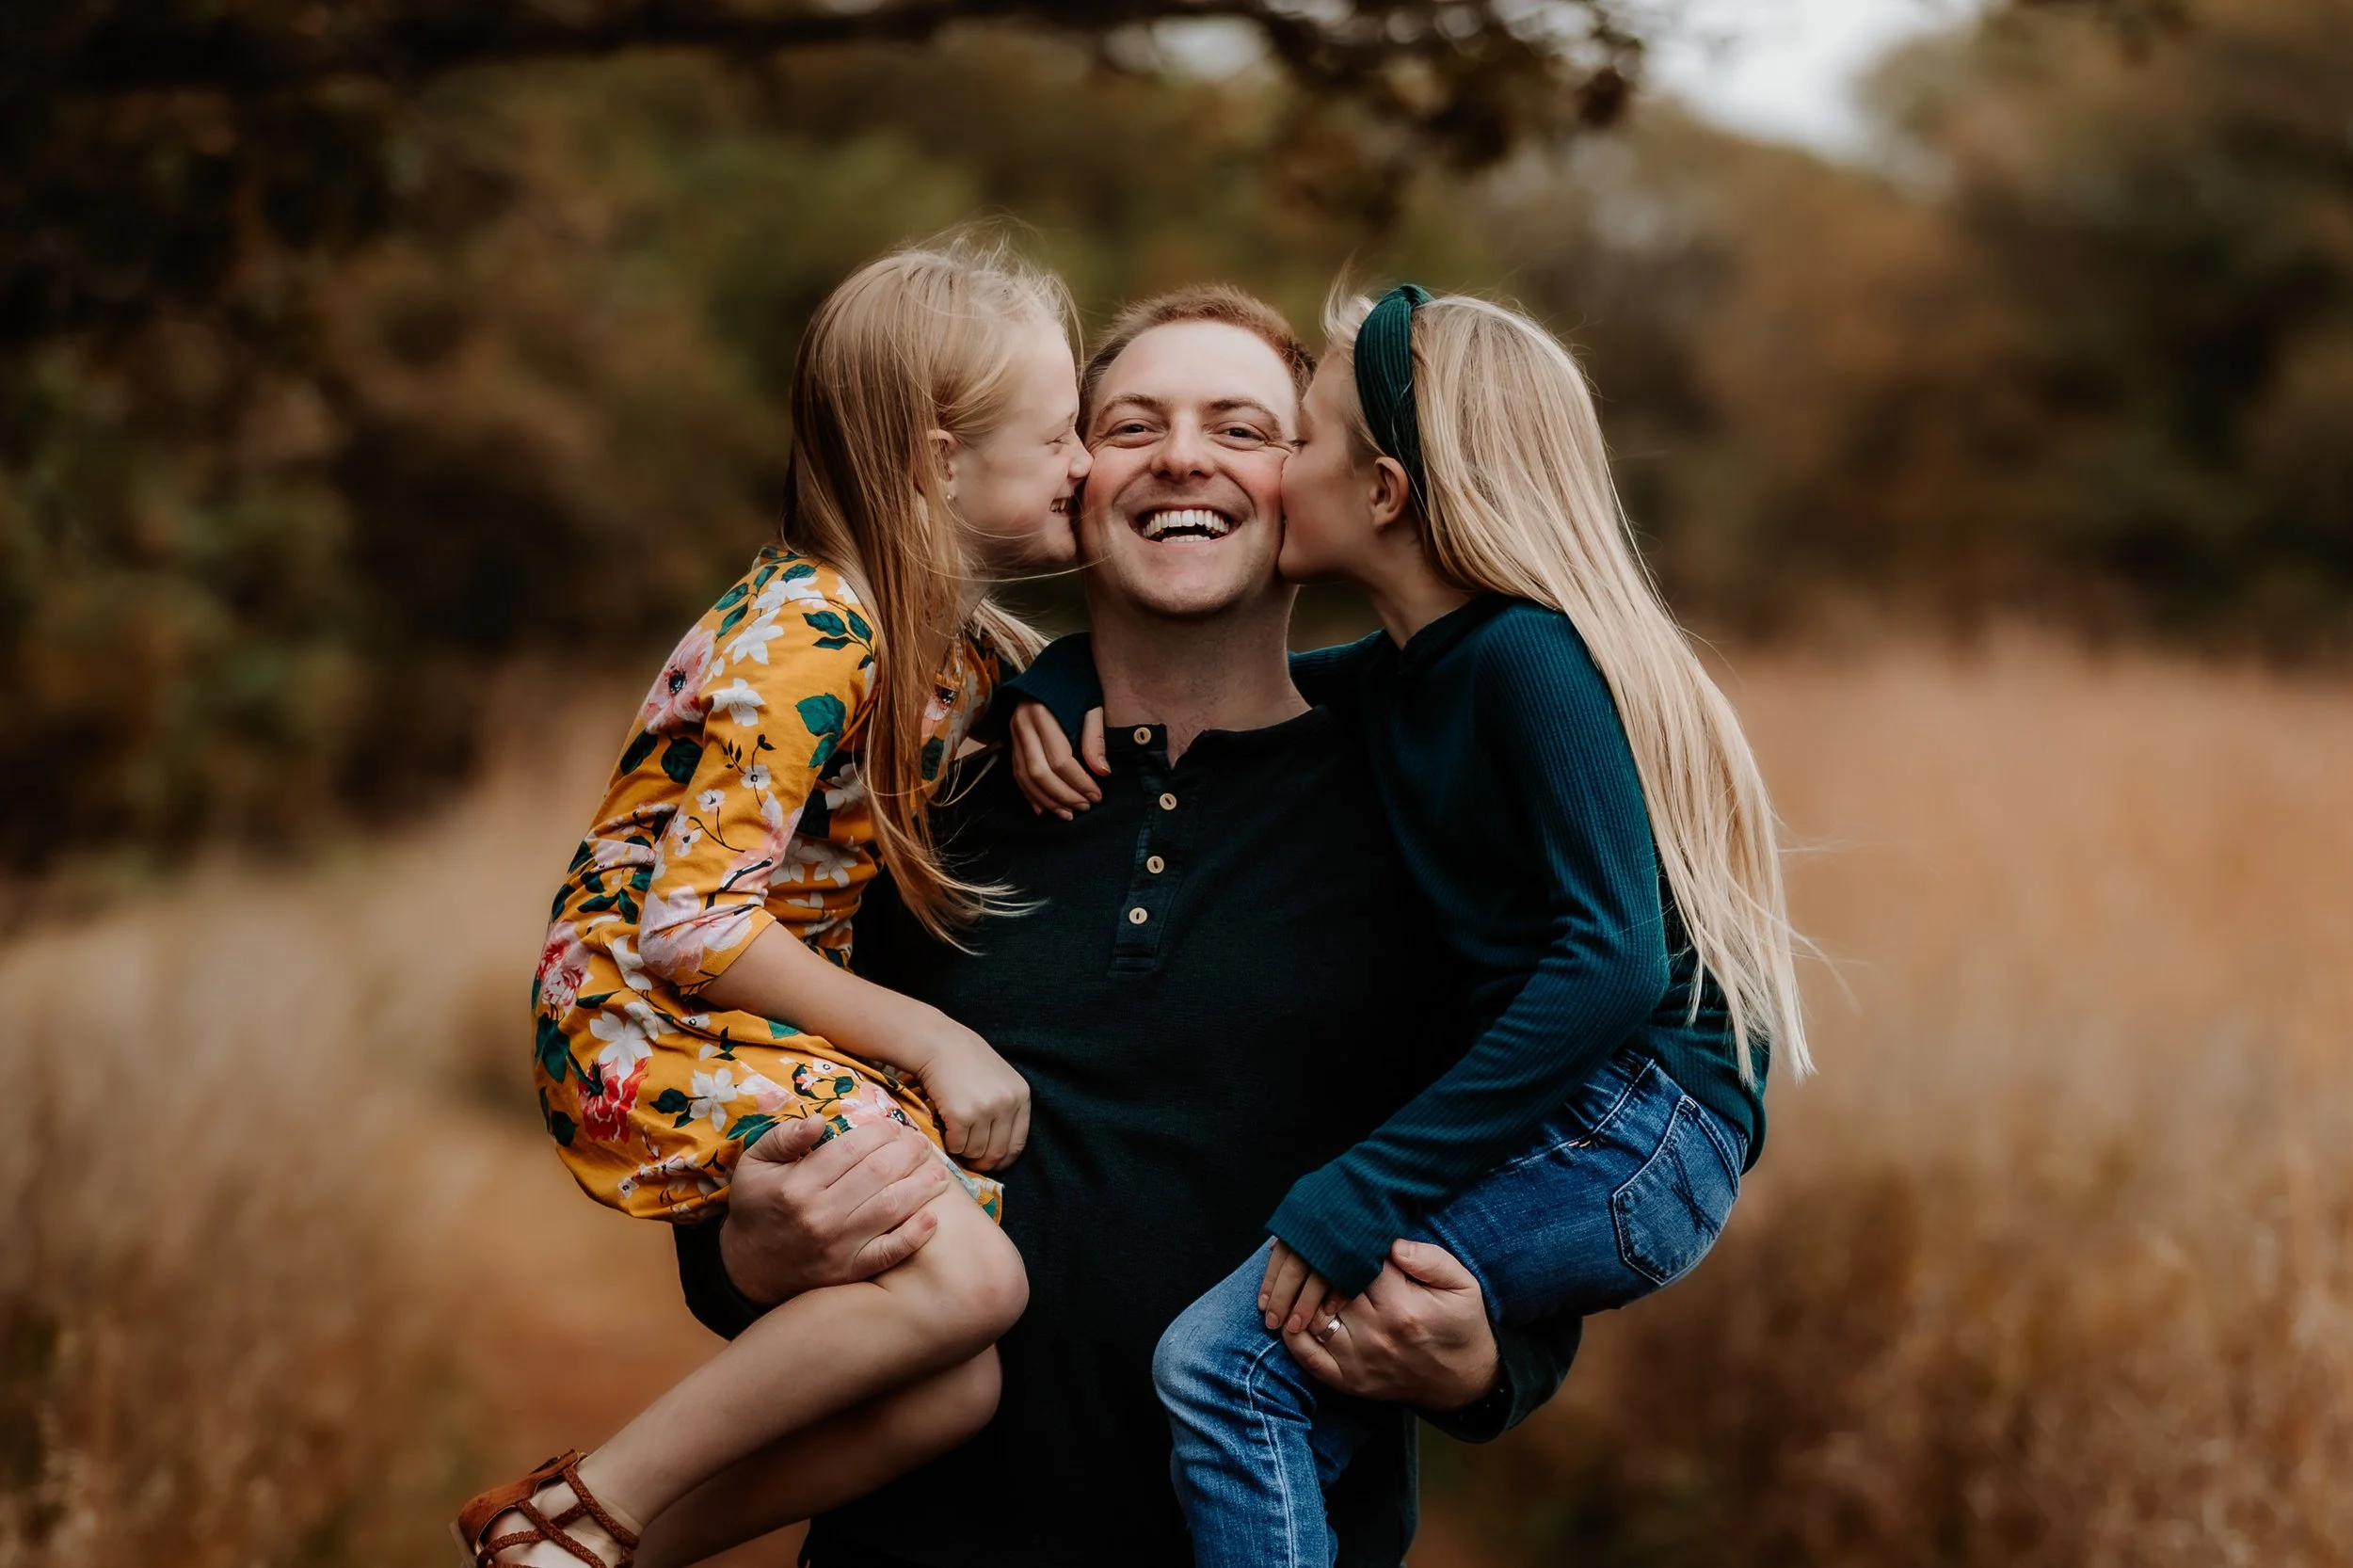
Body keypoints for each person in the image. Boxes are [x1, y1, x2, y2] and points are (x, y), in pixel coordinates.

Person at [653, 285, 1586, 1568]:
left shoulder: (1420, 801)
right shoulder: (924, 783)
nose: (1183, 456)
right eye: (1132, 424)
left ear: (1332, 486)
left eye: (1246, 429)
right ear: (1069, 480)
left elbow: (1545, 1144)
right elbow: (749, 1088)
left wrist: (1493, 1359)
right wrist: (741, 1250)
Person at [1012, 282, 1813, 1566]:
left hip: (1635, 1116)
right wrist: (1048, 680)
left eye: (1287, 438)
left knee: (1225, 1372)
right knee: (1246, 1384)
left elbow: (1611, 962)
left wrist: (1371, 1204)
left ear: (1381, 490)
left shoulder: (1525, 660)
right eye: (1134, 423)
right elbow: (1216, 693)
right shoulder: (1409, 682)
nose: (1234, 468)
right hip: (1594, 1116)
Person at [453, 236, 1093, 1567]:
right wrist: (931, 1038)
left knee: (954, 1380)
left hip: (717, 1016)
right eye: (1064, 434)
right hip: (640, 1017)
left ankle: (594, 1552)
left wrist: (1040, 712)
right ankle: (583, 1509)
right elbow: (692, 923)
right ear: (936, 461)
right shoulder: (814, 627)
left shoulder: (947, 637)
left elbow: (1020, 676)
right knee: (978, 1280)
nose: (1087, 464)